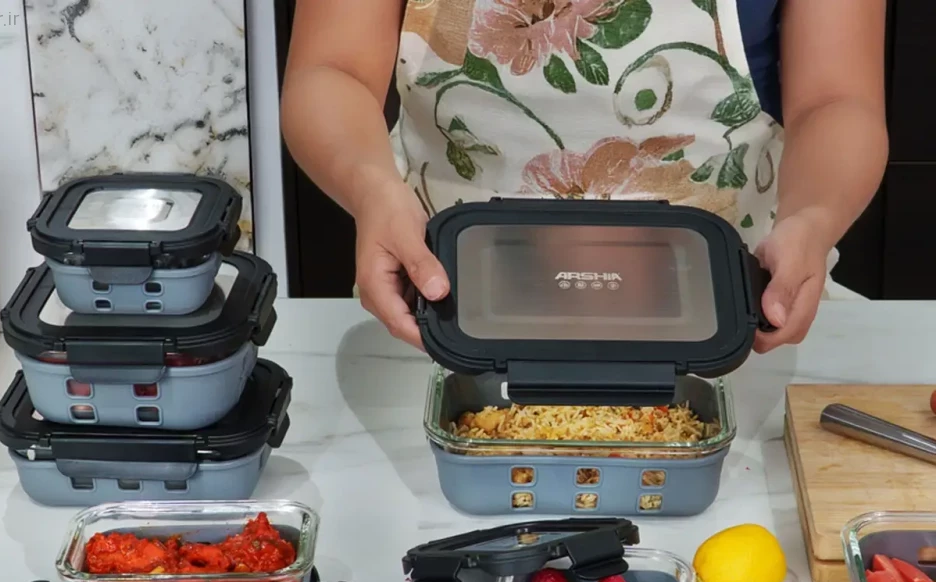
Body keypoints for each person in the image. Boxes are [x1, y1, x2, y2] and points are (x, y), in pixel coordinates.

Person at [281, 0, 887, 354]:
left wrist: (813, 219)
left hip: (735, 322)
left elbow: (835, 99)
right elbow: (331, 69)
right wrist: (372, 188)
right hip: (443, 316)